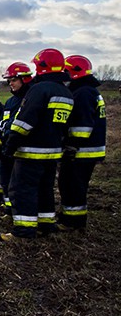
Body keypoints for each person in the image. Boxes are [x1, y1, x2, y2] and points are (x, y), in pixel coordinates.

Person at [0, 49, 73, 241]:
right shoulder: (66, 92)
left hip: (31, 152)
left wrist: (10, 145)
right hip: (53, 153)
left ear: (42, 66)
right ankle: (45, 226)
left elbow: (24, 122)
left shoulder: (39, 90)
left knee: (21, 190)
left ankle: (23, 232)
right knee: (44, 189)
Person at [58, 55, 107, 231]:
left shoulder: (83, 93)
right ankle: (69, 218)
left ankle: (73, 223)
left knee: (72, 186)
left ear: (73, 72)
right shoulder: (89, 90)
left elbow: (82, 126)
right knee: (72, 184)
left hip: (82, 151)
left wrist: (71, 146)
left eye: (65, 71)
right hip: (88, 150)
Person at [0, 62, 34, 214]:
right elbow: (4, 124)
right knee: (6, 181)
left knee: (20, 186)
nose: (10, 83)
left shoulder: (32, 98)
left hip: (23, 149)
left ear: (24, 79)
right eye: (9, 80)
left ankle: (22, 219)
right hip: (8, 148)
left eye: (13, 80)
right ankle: (10, 210)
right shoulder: (11, 101)